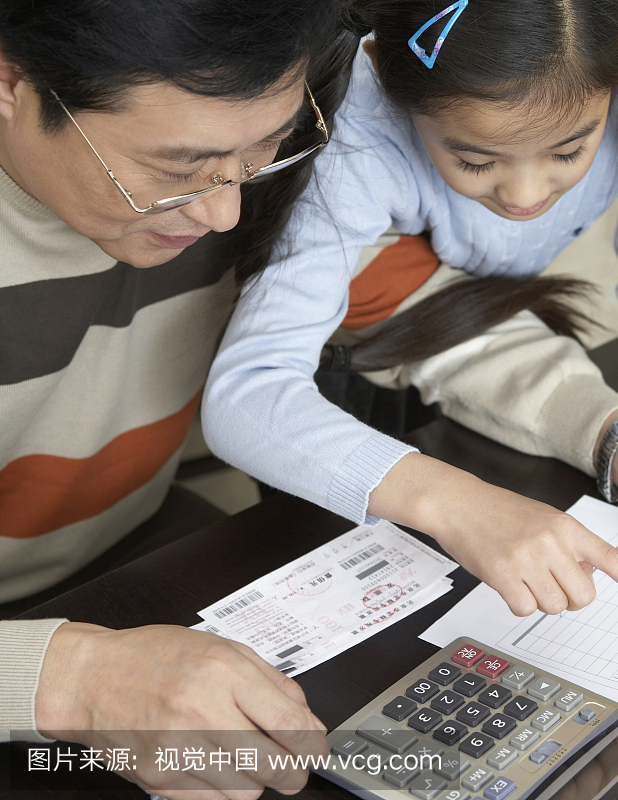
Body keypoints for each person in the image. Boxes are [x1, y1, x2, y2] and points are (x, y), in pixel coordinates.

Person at [203, 0, 618, 619]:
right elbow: (246, 395)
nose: (525, 195)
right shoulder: (358, 127)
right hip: (356, 343)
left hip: (464, 326)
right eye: (475, 160)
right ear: (398, 91)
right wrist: (464, 506)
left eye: (568, 151)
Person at [0, 0, 355, 794]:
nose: (225, 211)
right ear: (12, 81)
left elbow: (435, 308)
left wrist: (616, 435)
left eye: (269, 146)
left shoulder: (246, 167)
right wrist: (68, 676)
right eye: (174, 169)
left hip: (138, 558)